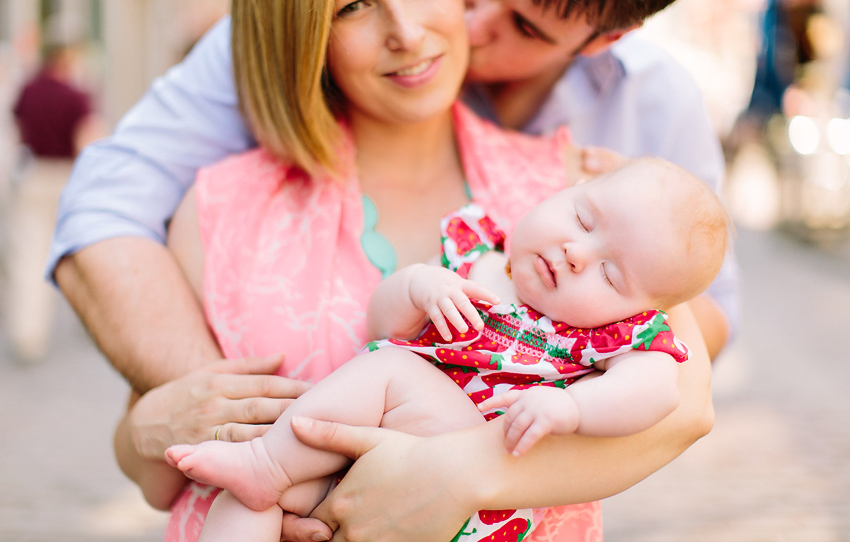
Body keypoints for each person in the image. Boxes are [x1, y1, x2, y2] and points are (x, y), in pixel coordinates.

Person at [162, 157, 728, 542]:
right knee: (253, 503)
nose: (578, 253)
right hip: (363, 465)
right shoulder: (473, 258)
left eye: (610, 274)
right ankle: (261, 479)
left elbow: (656, 393)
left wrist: (574, 408)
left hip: (469, 483)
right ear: (562, 192)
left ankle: (264, 462)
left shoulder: (616, 337)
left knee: (388, 372)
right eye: (583, 218)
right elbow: (382, 327)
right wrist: (415, 287)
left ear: (640, 308)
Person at [7, 43, 102, 361]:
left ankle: (27, 335)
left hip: (35, 174)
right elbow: (88, 140)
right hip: (67, 178)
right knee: (80, 254)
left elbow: (18, 130)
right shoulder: (76, 95)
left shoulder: (29, 90)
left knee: (29, 256)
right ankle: (92, 322)